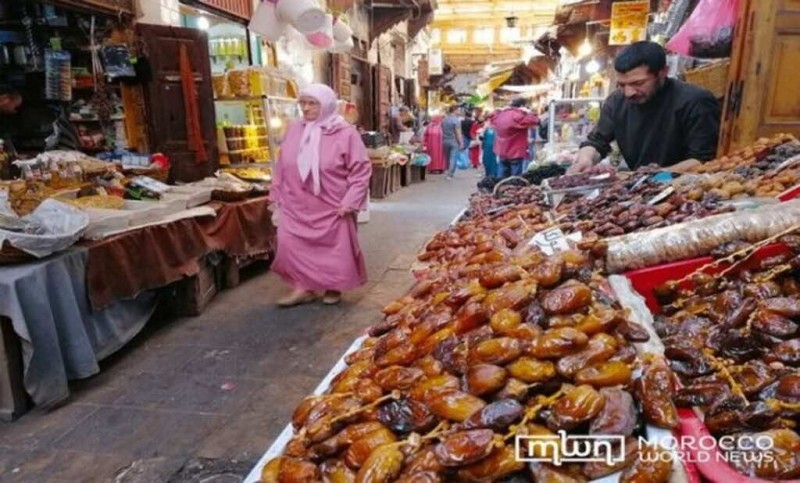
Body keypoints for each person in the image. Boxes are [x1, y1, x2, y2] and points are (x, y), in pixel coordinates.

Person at [269, 84, 372, 307]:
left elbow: (361, 169)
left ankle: (333, 285)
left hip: (332, 205)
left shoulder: (345, 133)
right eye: (302, 103)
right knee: (290, 244)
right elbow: (281, 166)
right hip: (295, 202)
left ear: (326, 105)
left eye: (312, 103)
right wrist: (276, 197)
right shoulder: (295, 129)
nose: (305, 108)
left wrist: (351, 200)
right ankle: (302, 287)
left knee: (335, 249)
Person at [569, 41, 721, 174]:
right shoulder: (616, 102)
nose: (628, 92)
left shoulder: (695, 101)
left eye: (638, 83)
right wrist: (585, 159)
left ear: (663, 73)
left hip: (687, 189)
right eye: (622, 84)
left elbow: (702, 159)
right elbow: (596, 142)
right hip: (642, 189)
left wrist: (657, 174)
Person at [491, 97, 539, 178]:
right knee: (515, 179)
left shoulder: (501, 114)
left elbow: (491, 116)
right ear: (522, 105)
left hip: (502, 150)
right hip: (516, 151)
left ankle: (499, 189)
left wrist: (500, 110)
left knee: (501, 175)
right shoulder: (519, 115)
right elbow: (535, 120)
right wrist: (528, 112)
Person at [442, 105, 464, 180]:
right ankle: (450, 174)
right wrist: (461, 143)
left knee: (447, 157)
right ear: (454, 110)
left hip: (445, 140)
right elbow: (458, 133)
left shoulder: (444, 119)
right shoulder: (456, 120)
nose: (460, 112)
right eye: (458, 110)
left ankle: (447, 170)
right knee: (453, 157)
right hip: (453, 141)